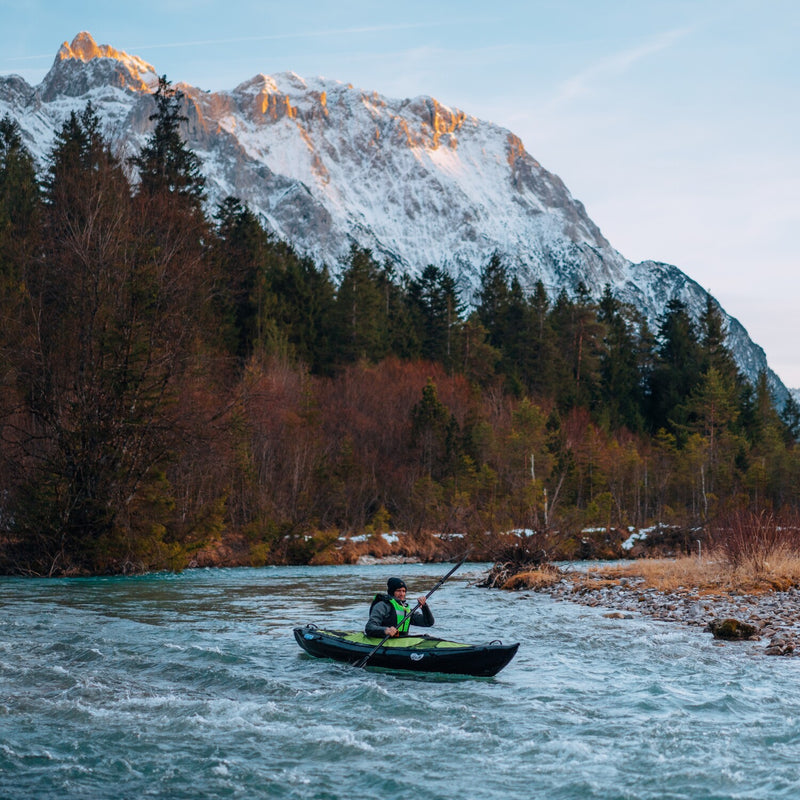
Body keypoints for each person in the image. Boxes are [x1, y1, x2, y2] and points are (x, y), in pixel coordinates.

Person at [365, 577, 435, 638]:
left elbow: (428, 623)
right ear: (392, 592)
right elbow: (369, 627)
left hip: (401, 641)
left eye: (404, 591)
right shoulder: (382, 606)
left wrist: (424, 607)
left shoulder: (405, 608)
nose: (402, 594)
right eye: (398, 591)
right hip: (383, 641)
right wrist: (386, 630)